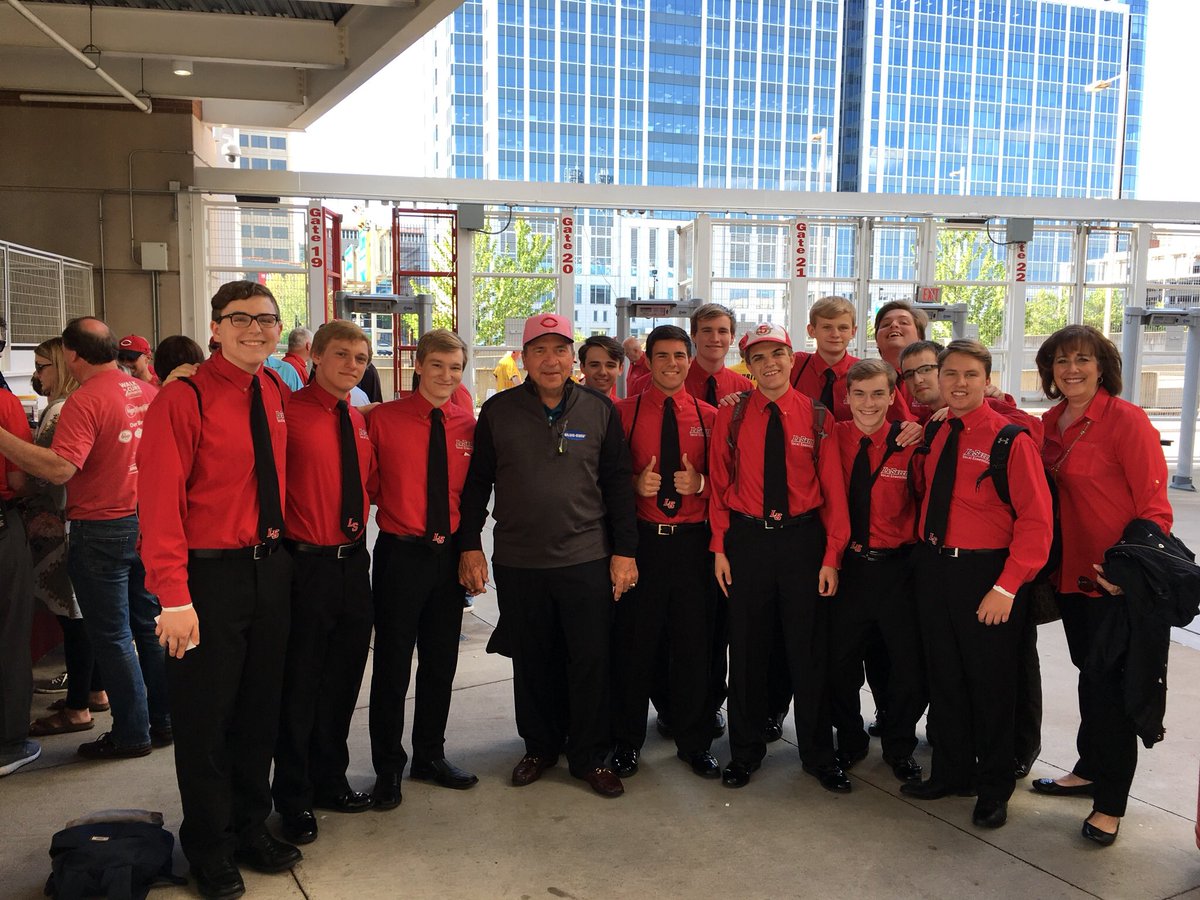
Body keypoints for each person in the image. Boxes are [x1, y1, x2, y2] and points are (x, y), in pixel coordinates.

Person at [139, 281, 300, 899]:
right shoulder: (183, 399)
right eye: (241, 319)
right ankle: (208, 845)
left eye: (267, 320)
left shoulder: (273, 389)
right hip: (208, 579)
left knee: (260, 710)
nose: (256, 330)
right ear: (215, 326)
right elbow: (157, 504)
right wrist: (173, 598)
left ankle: (248, 826)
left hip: (269, 568)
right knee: (207, 720)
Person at [458, 312, 638, 798]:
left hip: (586, 558)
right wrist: (470, 543)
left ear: (571, 358)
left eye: (560, 350)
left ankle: (588, 757)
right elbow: (477, 486)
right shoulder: (498, 412)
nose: (551, 360)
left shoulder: (600, 410)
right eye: (540, 350)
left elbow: (619, 486)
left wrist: (625, 552)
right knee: (533, 660)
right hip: (520, 561)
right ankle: (538, 747)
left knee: (589, 660)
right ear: (525, 357)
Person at [0, 317, 169, 763]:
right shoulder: (146, 391)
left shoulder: (85, 401)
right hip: (144, 522)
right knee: (147, 627)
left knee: (111, 635)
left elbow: (59, 469)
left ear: (72, 356)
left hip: (101, 527)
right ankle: (164, 719)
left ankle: (133, 732)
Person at [1030, 325, 1173, 847]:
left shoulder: (1125, 421)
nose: (1071, 369)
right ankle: (1090, 767)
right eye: (1061, 361)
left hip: (1116, 584)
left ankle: (1110, 804)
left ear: (1101, 366)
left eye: (1082, 359)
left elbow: (1155, 510)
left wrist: (1129, 574)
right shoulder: (1049, 423)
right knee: (1089, 679)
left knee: (1112, 691)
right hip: (1071, 577)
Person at [901, 339, 1052, 831]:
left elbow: (1035, 523)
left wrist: (1006, 588)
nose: (959, 384)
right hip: (935, 568)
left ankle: (993, 788)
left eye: (970, 375)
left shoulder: (1011, 439)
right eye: (950, 375)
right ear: (939, 380)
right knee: (945, 678)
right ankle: (950, 771)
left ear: (987, 381)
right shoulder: (937, 429)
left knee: (992, 688)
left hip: (987, 576)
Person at [708, 323, 851, 792]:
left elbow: (832, 492)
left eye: (778, 355)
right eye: (758, 357)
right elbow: (720, 487)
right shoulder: (731, 418)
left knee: (808, 651)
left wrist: (831, 555)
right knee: (746, 651)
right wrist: (720, 547)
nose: (769, 364)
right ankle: (744, 752)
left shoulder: (818, 417)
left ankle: (817, 754)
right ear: (747, 367)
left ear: (793, 358)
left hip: (802, 543)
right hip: (748, 542)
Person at [272, 320, 377, 846]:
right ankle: (291, 795)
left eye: (360, 357)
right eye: (341, 354)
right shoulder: (287, 415)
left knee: (342, 679)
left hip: (353, 563)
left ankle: (329, 780)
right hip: (305, 564)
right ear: (314, 354)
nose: (352, 365)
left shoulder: (357, 420)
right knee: (301, 684)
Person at [368, 328, 480, 811]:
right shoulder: (382, 420)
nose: (446, 376)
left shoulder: (468, 425)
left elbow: (473, 496)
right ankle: (387, 768)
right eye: (438, 366)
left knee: (441, 663)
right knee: (393, 667)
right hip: (400, 554)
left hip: (447, 555)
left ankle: (429, 756)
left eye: (455, 368)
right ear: (418, 365)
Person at [611, 324, 719, 780]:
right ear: (648, 362)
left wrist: (702, 484)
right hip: (643, 543)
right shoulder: (623, 413)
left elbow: (733, 484)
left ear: (690, 360)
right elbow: (606, 481)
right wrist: (635, 485)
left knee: (696, 648)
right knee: (636, 647)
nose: (672, 364)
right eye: (662, 356)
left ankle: (694, 743)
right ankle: (627, 743)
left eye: (679, 356)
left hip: (694, 547)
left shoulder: (711, 416)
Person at [826, 359, 925, 783]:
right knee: (838, 665)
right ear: (847, 397)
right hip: (848, 568)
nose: (869, 403)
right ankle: (849, 739)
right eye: (860, 394)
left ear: (892, 396)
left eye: (878, 394)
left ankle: (899, 744)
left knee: (909, 666)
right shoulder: (832, 437)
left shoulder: (911, 441)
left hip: (897, 570)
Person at [21, 339, 105, 737]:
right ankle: (93, 690)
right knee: (86, 614)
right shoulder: (85, 403)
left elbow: (47, 474)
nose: (37, 376)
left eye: (42, 366)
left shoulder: (61, 409)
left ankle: (77, 707)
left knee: (74, 618)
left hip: (60, 524)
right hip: (79, 520)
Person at [0, 376, 37, 776]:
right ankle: (9, 742)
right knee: (10, 636)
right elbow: (19, 479)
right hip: (2, 528)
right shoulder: (6, 404)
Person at [874, 301, 929, 418]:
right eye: (885, 324)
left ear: (920, 337)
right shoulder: (863, 379)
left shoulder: (937, 378)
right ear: (876, 341)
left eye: (903, 322)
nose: (894, 325)